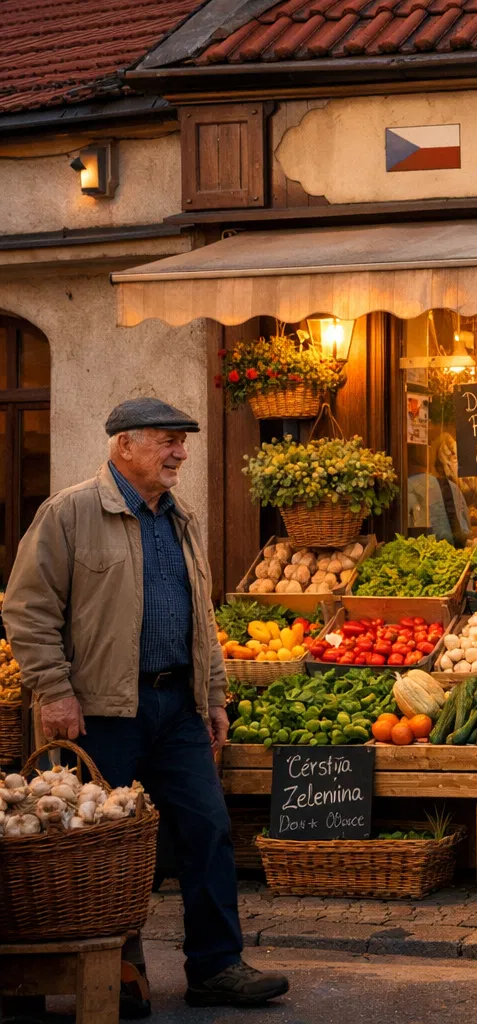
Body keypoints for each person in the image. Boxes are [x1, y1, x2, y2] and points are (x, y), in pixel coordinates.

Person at [1, 398, 289, 1014]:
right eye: (167, 440)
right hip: (101, 710)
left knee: (208, 828)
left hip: (177, 705)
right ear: (124, 445)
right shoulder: (70, 513)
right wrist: (55, 690)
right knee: (107, 842)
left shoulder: (180, 518)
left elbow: (201, 618)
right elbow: (27, 608)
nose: (181, 453)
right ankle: (120, 973)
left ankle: (217, 966)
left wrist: (214, 696)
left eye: (183, 442)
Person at [407, 432, 470, 544]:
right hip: (452, 548)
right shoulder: (452, 487)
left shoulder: (407, 485)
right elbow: (465, 529)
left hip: (423, 548)